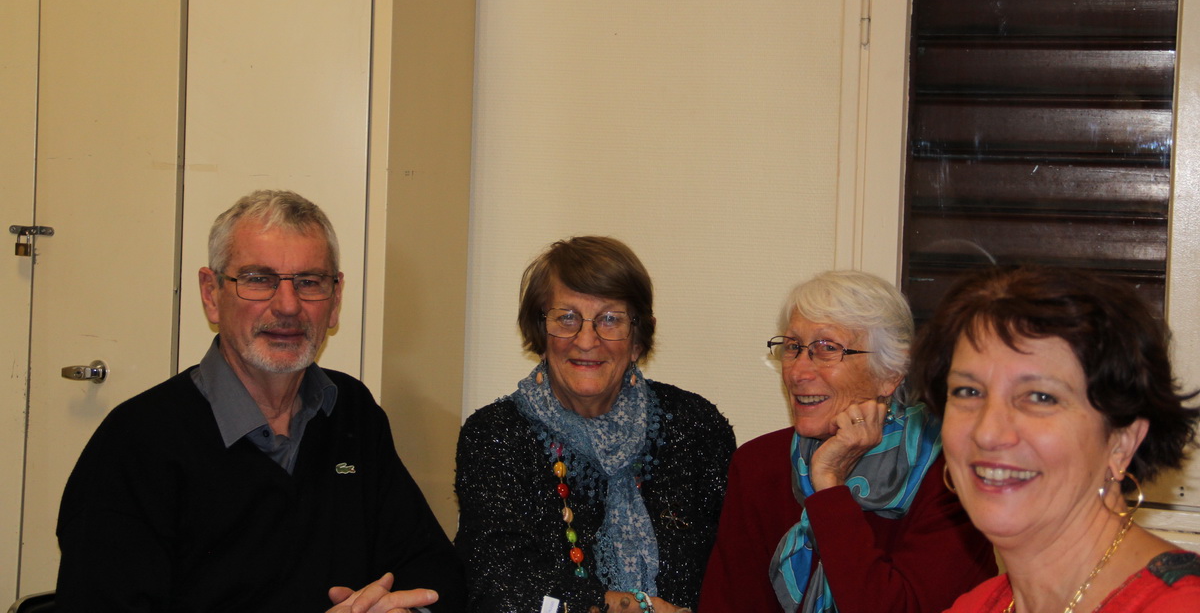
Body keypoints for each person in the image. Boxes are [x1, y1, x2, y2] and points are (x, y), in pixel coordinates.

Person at [55, 189, 466, 613]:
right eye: (258, 279)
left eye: (309, 282)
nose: (288, 306)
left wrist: (404, 610)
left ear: (336, 300)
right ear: (211, 294)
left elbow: (433, 570)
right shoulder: (137, 442)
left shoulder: (352, 412)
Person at [454, 236, 736, 613]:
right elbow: (499, 587)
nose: (586, 341)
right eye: (566, 318)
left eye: (610, 319)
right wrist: (631, 607)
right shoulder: (496, 435)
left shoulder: (696, 428)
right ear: (540, 331)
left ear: (637, 338)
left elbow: (737, 571)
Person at [699, 270, 996, 613]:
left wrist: (829, 486)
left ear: (890, 373)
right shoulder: (758, 465)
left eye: (827, 348)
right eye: (793, 347)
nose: (797, 372)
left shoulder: (951, 471)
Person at [910, 265, 1200, 613]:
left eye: (1040, 397)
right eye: (968, 391)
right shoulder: (975, 607)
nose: (987, 433)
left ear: (1122, 441)